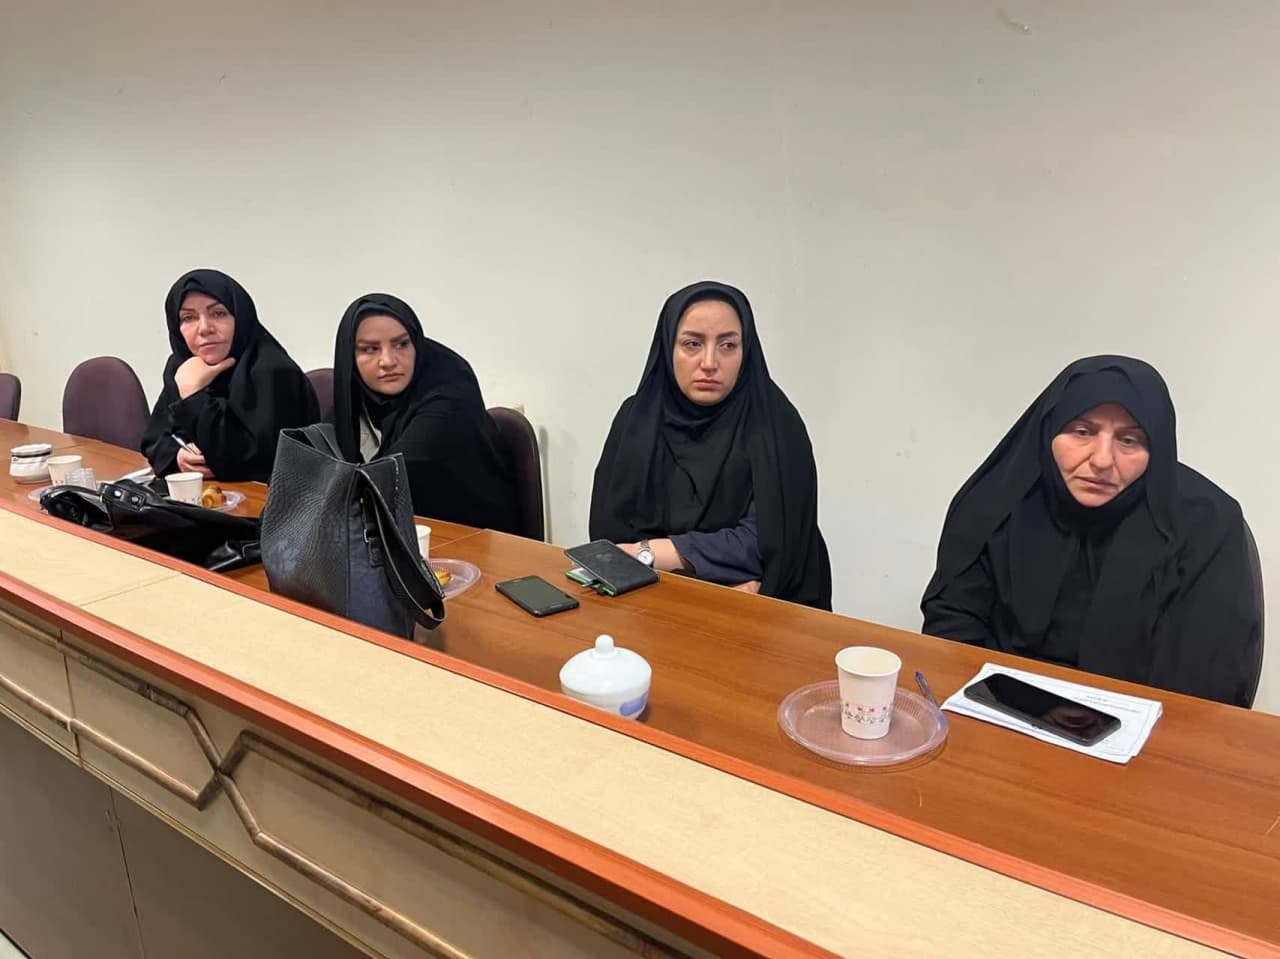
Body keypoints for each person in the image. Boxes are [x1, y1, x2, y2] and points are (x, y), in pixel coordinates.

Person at [922, 355, 1262, 707]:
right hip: (998, 707)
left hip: (1142, 724)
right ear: (1049, 431)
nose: (1102, 460)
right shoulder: (998, 503)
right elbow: (952, 632)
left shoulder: (1207, 523)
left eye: (1129, 440)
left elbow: (1209, 680)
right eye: (1082, 432)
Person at [589, 280, 831, 609]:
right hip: (650, 603)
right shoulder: (637, 419)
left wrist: (646, 552)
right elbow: (609, 537)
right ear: (668, 348)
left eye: (727, 345)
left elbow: (769, 544)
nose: (709, 362)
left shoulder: (776, 425)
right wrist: (709, 582)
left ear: (746, 351)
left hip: (764, 609)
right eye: (692, 344)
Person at [331, 293, 520, 533]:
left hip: (470, 536)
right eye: (370, 349)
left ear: (416, 343)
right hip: (389, 531)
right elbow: (319, 460)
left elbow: (394, 473)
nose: (387, 361)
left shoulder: (450, 390)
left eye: (401, 344)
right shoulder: (356, 393)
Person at [141, 269, 319, 482]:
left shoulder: (274, 372)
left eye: (218, 314)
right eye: (188, 318)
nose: (204, 328)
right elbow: (153, 440)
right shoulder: (183, 367)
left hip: (263, 499)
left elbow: (245, 463)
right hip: (200, 496)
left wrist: (194, 396)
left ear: (240, 317)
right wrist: (178, 458)